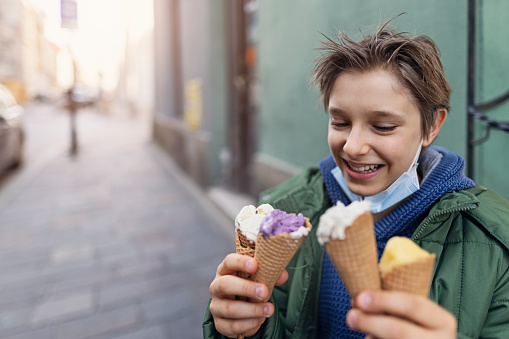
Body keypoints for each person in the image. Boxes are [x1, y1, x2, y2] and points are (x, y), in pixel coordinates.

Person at [203, 20, 509, 339]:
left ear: (433, 126)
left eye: (383, 126)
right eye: (340, 122)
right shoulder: (285, 210)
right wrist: (238, 326)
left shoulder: (495, 243)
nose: (352, 146)